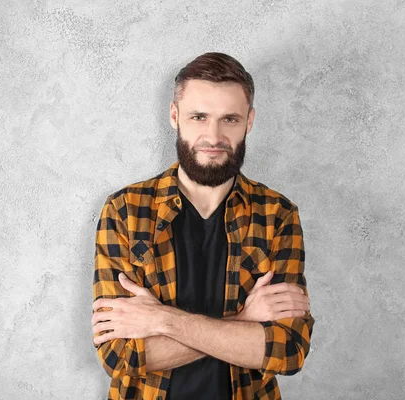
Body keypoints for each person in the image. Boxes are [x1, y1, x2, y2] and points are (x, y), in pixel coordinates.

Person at [91, 52, 315, 400]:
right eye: (199, 117)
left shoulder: (277, 214)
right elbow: (120, 355)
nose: (213, 136)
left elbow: (287, 350)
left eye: (230, 119)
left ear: (249, 122)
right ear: (174, 116)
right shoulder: (125, 211)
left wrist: (161, 320)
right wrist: (244, 320)